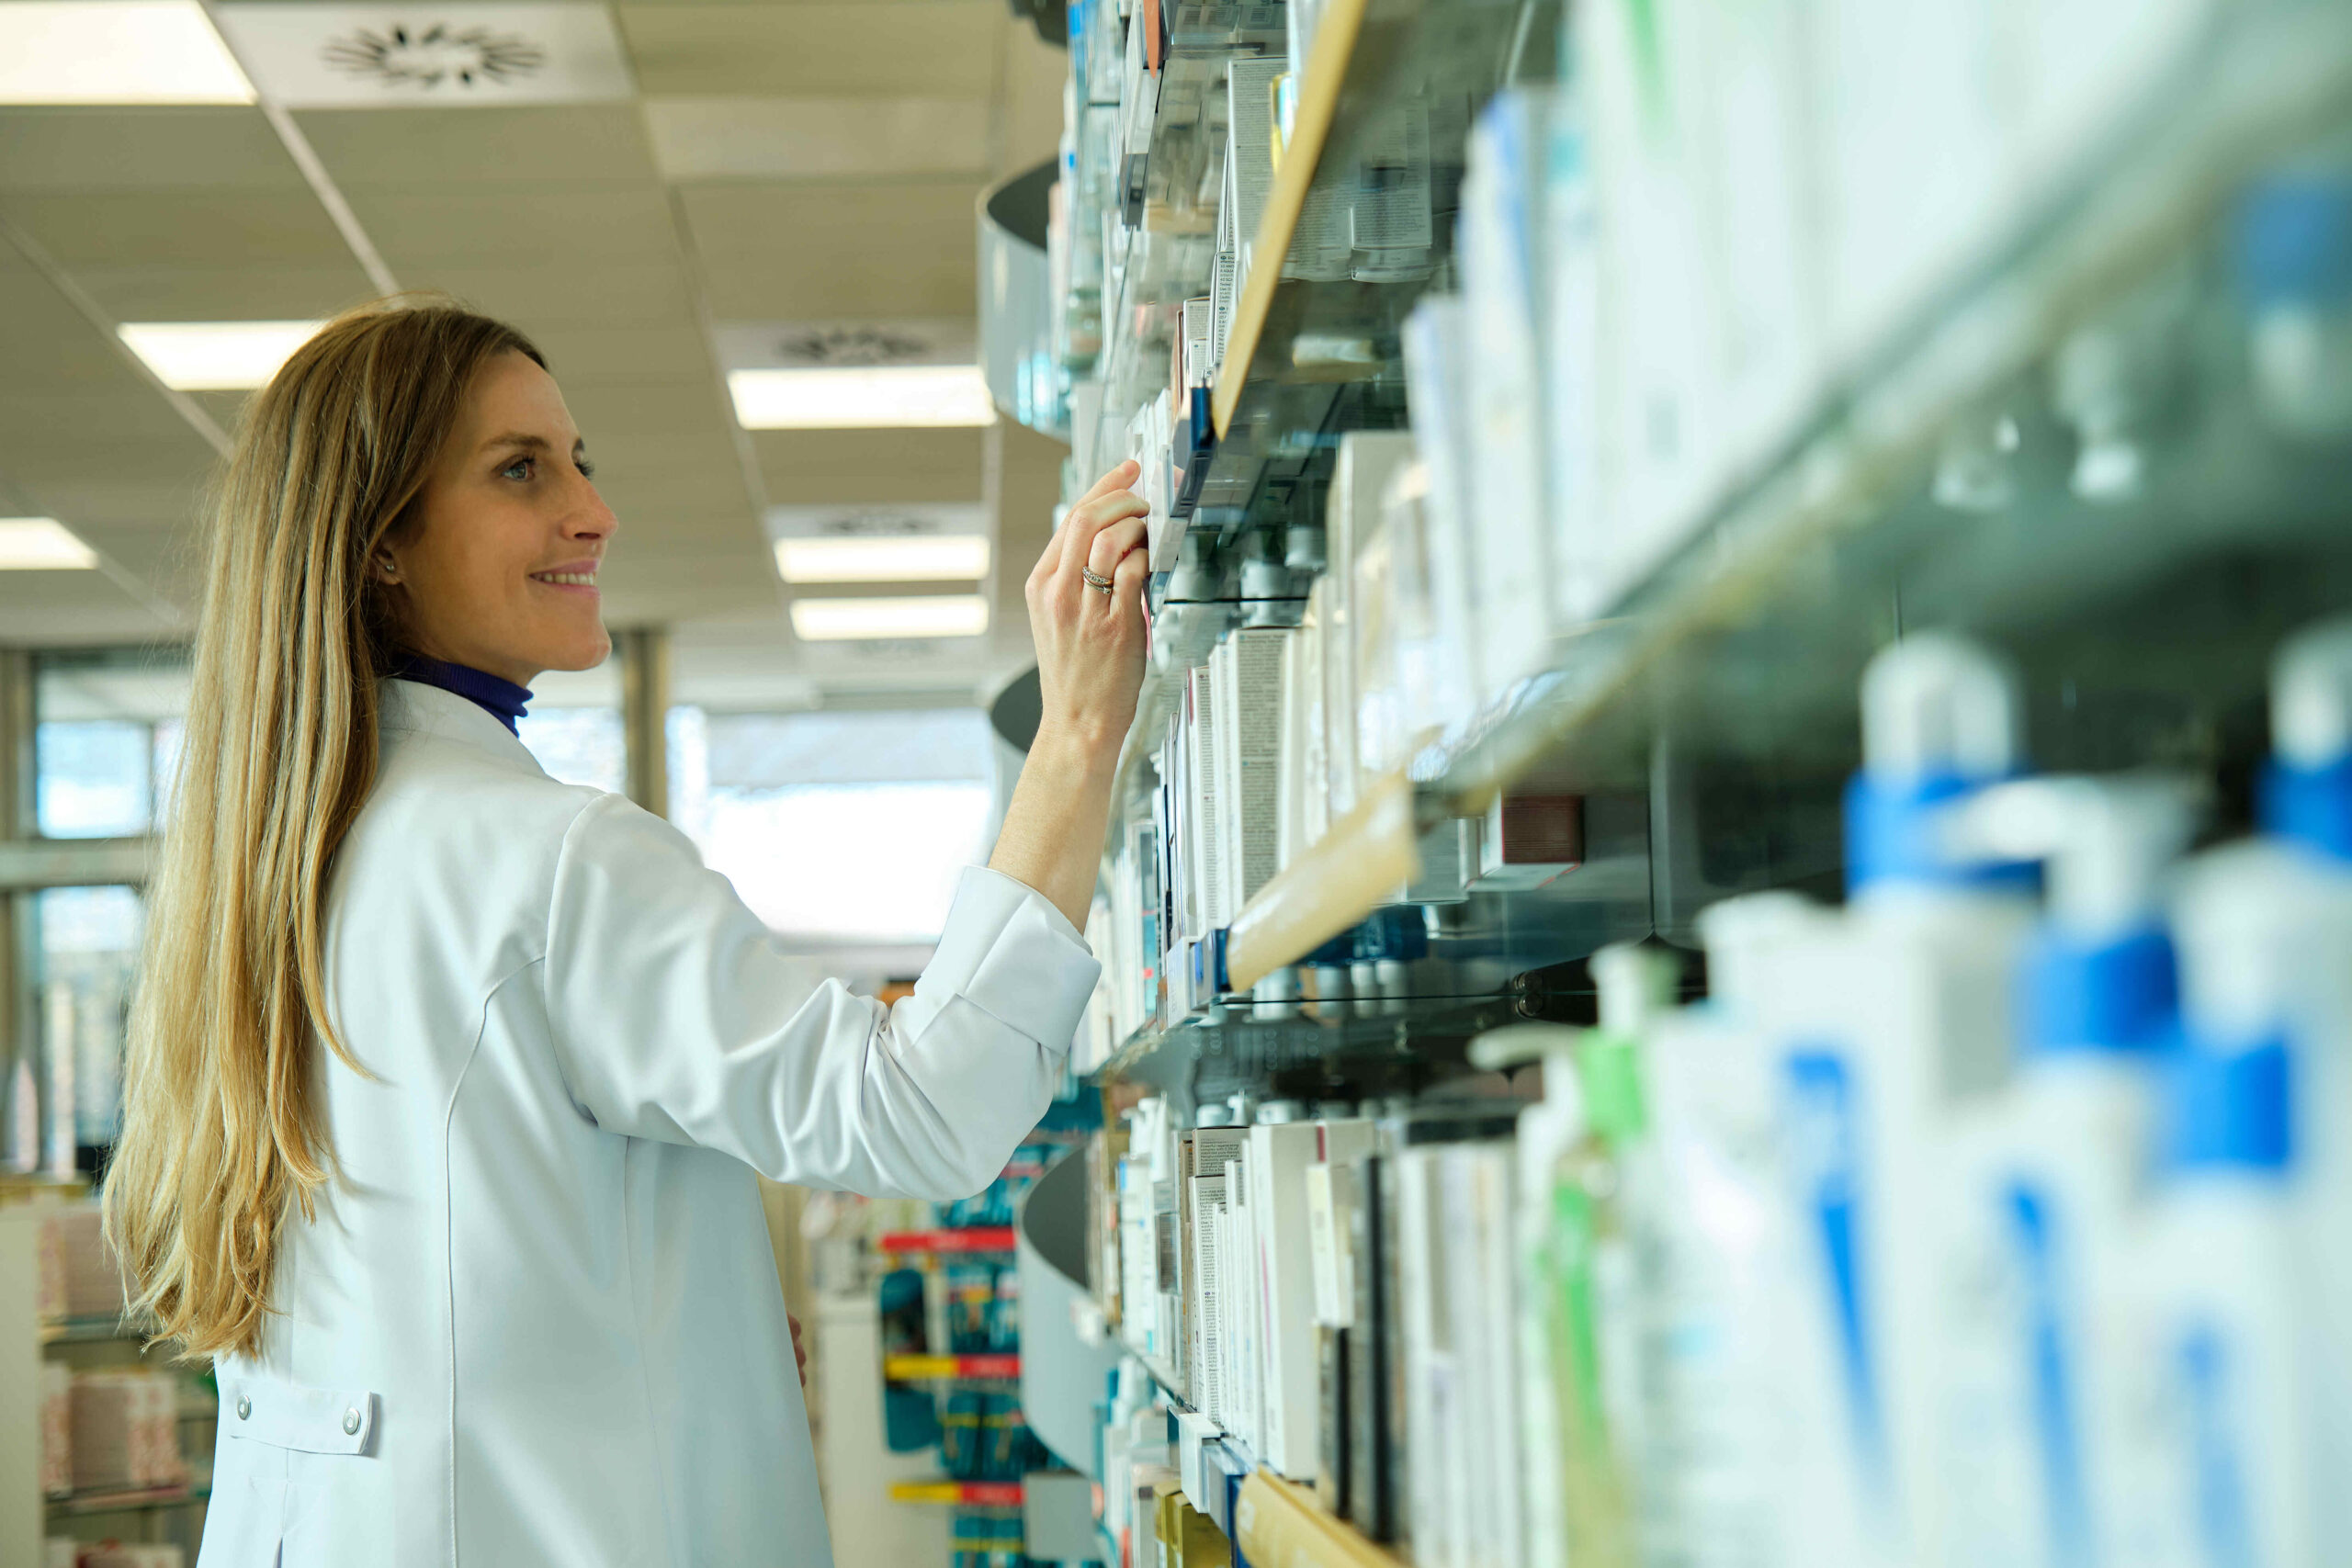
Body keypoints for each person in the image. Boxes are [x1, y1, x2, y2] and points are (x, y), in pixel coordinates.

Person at [101, 299, 1151, 1567]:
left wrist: (695, 1307)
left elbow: (451, 1271)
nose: (592, 513)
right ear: (380, 540)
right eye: (519, 470)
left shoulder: (271, 869)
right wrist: (1078, 734)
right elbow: (924, 1112)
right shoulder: (553, 859)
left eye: (577, 461)